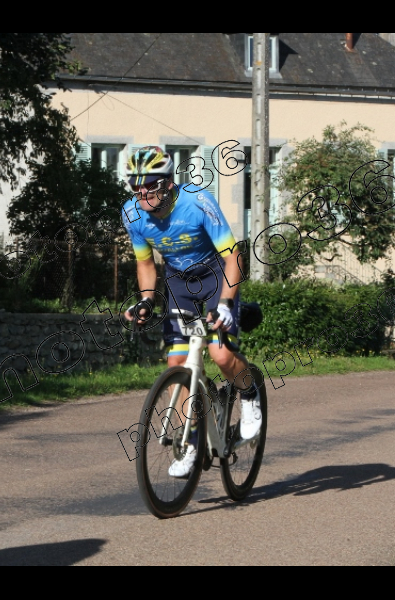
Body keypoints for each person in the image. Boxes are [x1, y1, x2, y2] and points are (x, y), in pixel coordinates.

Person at [121, 146, 261, 479]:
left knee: (221, 354)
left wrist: (225, 304)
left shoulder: (197, 202)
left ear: (168, 182)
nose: (142, 193)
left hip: (215, 275)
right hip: (178, 281)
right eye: (136, 186)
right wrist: (146, 301)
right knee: (177, 364)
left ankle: (249, 394)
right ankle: (193, 441)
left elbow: (233, 258)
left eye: (150, 185)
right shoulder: (131, 213)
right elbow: (145, 263)